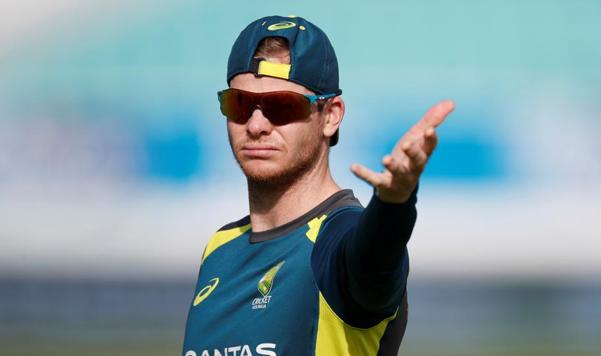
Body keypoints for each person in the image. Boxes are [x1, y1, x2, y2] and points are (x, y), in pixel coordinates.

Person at [182, 15, 454, 356]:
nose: (255, 125)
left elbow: (376, 252)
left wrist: (395, 201)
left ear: (330, 116)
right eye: (240, 103)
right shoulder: (219, 249)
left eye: (281, 106)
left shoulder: (339, 239)